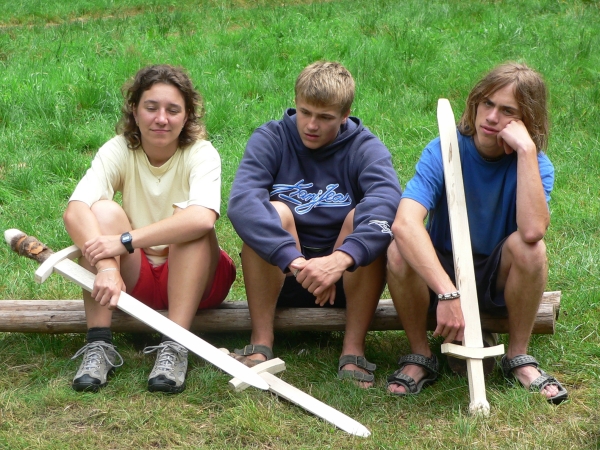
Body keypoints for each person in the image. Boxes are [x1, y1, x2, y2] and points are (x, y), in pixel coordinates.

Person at [386, 62, 568, 403]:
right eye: (487, 103)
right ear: (475, 102)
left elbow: (532, 231)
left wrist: (526, 151)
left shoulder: (535, 164)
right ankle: (420, 354)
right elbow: (404, 223)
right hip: (442, 269)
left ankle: (518, 356)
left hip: (496, 274)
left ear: (527, 121)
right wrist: (447, 294)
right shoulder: (444, 148)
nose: (492, 117)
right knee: (399, 250)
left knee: (532, 250)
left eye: (508, 111)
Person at [227, 61, 402, 387]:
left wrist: (339, 260)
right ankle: (260, 343)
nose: (311, 125)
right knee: (274, 212)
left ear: (345, 114)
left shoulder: (365, 148)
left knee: (361, 219)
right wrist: (295, 262)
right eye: (305, 112)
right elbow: (242, 202)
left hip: (345, 280)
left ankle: (353, 349)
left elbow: (387, 203)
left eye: (325, 117)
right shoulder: (272, 138)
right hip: (284, 274)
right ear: (295, 102)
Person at [63, 65, 236, 394]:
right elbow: (75, 211)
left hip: (196, 279)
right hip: (133, 280)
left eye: (173, 110)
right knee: (102, 211)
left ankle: (176, 344)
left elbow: (202, 219)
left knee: (190, 224)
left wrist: (126, 240)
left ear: (187, 116)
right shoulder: (118, 149)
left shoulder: (201, 153)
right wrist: (107, 267)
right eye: (151, 107)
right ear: (134, 110)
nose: (161, 119)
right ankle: (98, 343)